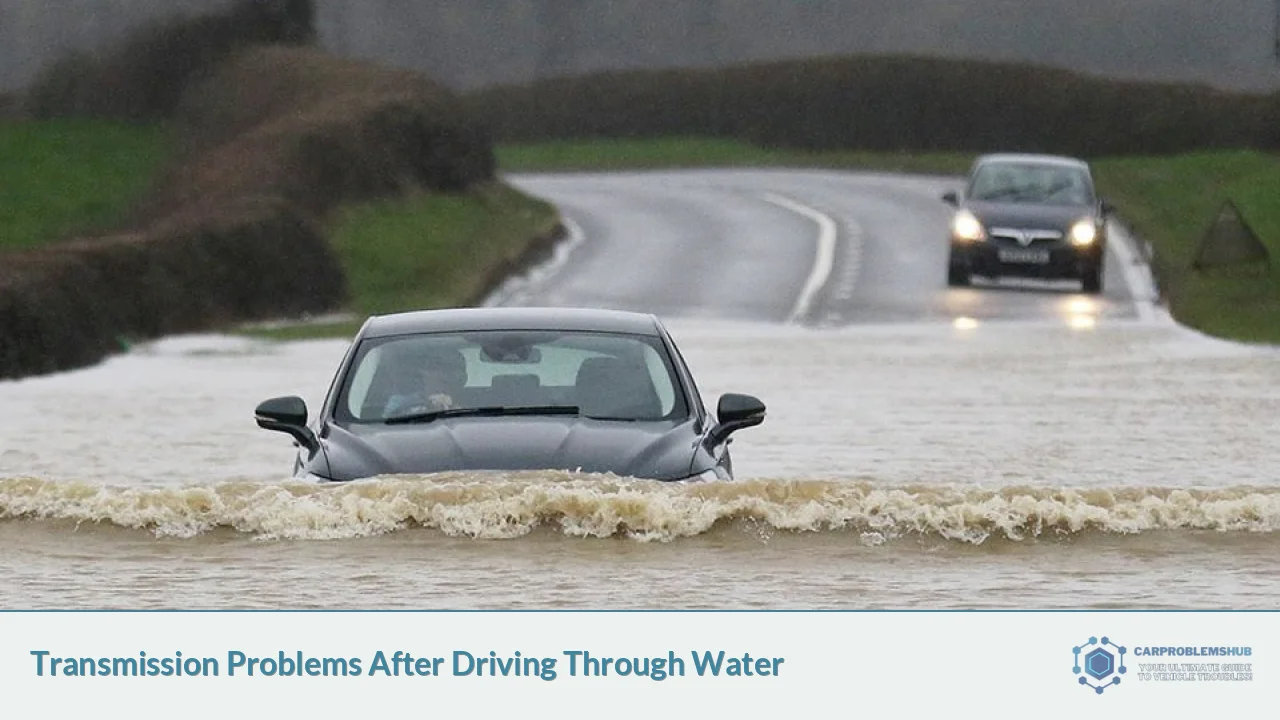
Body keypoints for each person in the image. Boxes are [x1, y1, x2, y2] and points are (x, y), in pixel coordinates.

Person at [382, 346, 468, 417]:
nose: (444, 375)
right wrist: (426, 408)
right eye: (435, 367)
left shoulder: (476, 406)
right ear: (424, 373)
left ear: (463, 378)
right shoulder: (400, 402)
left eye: (452, 369)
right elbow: (386, 424)